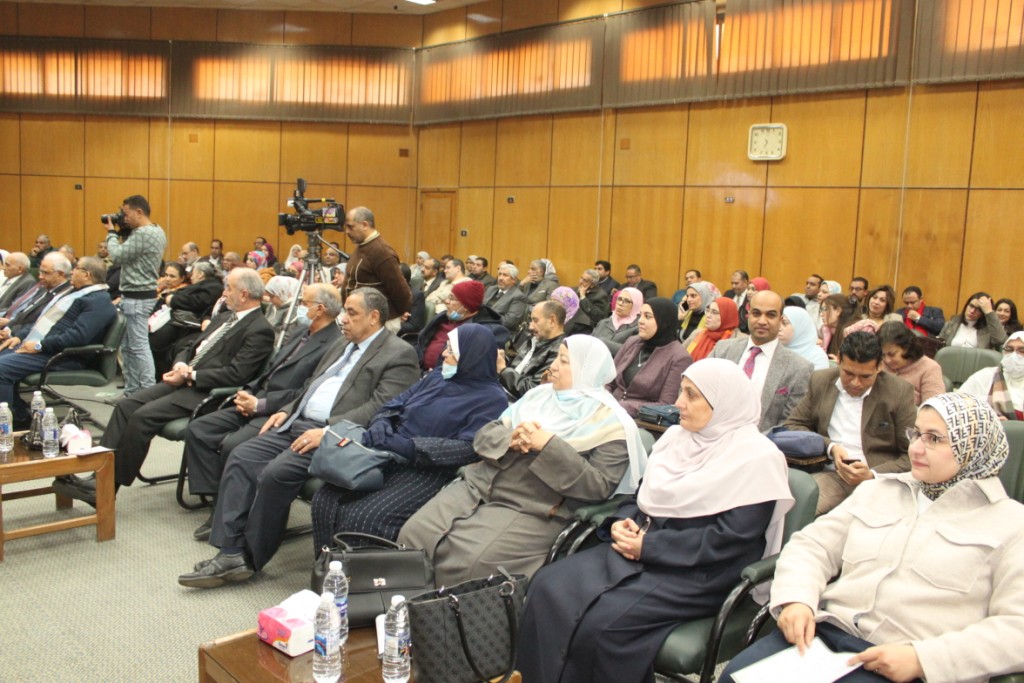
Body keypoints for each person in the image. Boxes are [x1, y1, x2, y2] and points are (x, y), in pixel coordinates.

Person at [517, 359, 794, 683]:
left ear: (723, 404)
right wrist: (621, 522)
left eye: (691, 395)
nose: (678, 403)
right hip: (641, 549)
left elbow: (729, 538)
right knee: (547, 585)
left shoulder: (757, 459)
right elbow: (641, 497)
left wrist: (650, 547)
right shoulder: (677, 438)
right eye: (681, 392)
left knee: (604, 626)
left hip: (699, 571)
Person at [722, 392, 1024, 683]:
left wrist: (923, 659)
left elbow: (1017, 628)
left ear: (973, 448)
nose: (916, 449)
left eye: (934, 439)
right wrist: (797, 599)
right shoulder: (878, 491)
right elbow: (811, 546)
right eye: (916, 434)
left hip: (907, 663)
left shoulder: (1011, 524)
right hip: (824, 637)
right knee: (734, 676)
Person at [177, 288, 420, 587]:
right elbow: (311, 385)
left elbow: (380, 408)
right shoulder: (341, 343)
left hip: (332, 435)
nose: (343, 318)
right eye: (344, 310)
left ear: (374, 317)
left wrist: (328, 431)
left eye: (352, 313)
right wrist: (286, 409)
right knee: (242, 456)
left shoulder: (399, 353)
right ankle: (229, 549)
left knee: (274, 474)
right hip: (297, 422)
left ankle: (248, 557)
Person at [399, 335, 647, 585]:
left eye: (563, 361)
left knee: (471, 564)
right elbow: (484, 436)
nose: (553, 367)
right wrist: (511, 439)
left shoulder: (613, 424)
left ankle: (441, 610)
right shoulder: (538, 396)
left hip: (533, 506)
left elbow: (598, 486)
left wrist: (549, 445)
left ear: (587, 370)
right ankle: (401, 605)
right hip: (478, 486)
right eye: (556, 358)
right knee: (413, 534)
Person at [52, 269, 277, 505]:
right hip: (184, 380)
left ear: (244, 294)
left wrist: (191, 374)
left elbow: (237, 374)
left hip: (208, 393)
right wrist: (180, 364)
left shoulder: (259, 330)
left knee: (142, 417)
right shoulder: (225, 318)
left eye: (228, 288)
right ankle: (98, 474)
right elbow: (190, 346)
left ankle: (106, 488)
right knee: (125, 406)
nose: (223, 293)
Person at [310, 325, 509, 549]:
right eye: (446, 347)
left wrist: (409, 447)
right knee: (324, 499)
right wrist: (381, 422)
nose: (444, 354)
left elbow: (469, 448)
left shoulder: (491, 399)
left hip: (426, 469)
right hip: (385, 452)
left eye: (452, 351)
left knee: (363, 518)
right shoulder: (439, 376)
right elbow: (396, 402)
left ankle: (357, 571)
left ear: (471, 357)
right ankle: (327, 566)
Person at [184, 284, 343, 540]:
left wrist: (260, 405)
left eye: (303, 303)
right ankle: (218, 500)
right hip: (257, 398)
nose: (298, 307)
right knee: (199, 429)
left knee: (234, 446)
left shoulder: (334, 344)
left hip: (279, 410)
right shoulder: (301, 331)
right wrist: (248, 391)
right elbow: (271, 370)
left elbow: (305, 392)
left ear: (320, 309)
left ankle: (228, 514)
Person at [784, 331, 916, 514]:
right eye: (848, 373)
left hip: (878, 479)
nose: (855, 383)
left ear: (879, 367)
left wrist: (872, 474)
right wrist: (830, 447)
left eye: (865, 377)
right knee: (788, 505)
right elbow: (792, 426)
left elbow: (912, 454)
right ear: (838, 359)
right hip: (830, 473)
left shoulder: (898, 392)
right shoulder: (821, 381)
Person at [0, 257, 116, 428]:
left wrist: (39, 346)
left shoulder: (98, 302)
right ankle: (18, 414)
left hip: (63, 356)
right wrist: (20, 336)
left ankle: (9, 423)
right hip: (46, 348)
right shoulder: (76, 293)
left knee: (2, 368)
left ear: (87, 275)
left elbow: (79, 337)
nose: (72, 271)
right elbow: (43, 322)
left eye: (76, 268)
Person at [710, 290, 813, 433]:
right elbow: (698, 392)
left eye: (771, 315)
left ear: (780, 320)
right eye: (756, 313)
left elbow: (789, 423)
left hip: (762, 441)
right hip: (711, 435)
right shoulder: (723, 350)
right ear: (748, 315)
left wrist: (753, 441)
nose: (762, 321)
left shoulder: (799, 368)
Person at [105, 194, 167, 396]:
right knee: (128, 347)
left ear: (139, 212)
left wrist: (111, 233)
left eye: (126, 213)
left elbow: (117, 256)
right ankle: (131, 393)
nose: (124, 217)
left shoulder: (143, 233)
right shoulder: (157, 230)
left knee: (138, 347)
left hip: (137, 297)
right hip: (138, 295)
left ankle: (147, 394)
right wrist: (123, 232)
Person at [607, 298, 693, 416]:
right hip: (609, 410)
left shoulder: (679, 357)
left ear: (664, 322)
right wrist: (603, 400)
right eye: (640, 315)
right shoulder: (632, 342)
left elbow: (666, 405)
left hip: (640, 420)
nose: (640, 321)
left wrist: (622, 407)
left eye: (647, 316)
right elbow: (608, 381)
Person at [342, 206, 411, 333]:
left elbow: (401, 291)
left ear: (365, 225)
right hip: (361, 319)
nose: (347, 231)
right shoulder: (363, 246)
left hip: (377, 323)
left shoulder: (381, 251)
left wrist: (396, 314)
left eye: (350, 227)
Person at [149, 261, 222, 378]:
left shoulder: (213, 286)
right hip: (177, 319)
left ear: (200, 274)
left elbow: (198, 302)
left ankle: (155, 377)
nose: (191, 276)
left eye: (193, 273)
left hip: (186, 324)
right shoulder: (205, 285)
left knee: (155, 342)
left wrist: (173, 300)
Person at [416, 279, 508, 371]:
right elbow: (421, 343)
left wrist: (434, 375)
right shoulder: (442, 318)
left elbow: (476, 367)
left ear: (465, 306)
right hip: (420, 371)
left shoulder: (487, 332)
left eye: (452, 298)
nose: (446, 301)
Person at [498, 300, 566, 399]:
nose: (530, 326)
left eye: (535, 320)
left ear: (552, 320)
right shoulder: (532, 338)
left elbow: (533, 391)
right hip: (501, 389)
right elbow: (513, 360)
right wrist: (500, 357)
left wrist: (503, 370)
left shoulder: (559, 353)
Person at [877, 320, 945, 405]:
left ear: (907, 347)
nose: (887, 360)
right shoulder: (879, 363)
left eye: (892, 354)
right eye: (883, 355)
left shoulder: (930, 368)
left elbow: (933, 407)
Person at [960, 331, 1024, 420]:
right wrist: (988, 420)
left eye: (1022, 350)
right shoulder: (984, 377)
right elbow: (958, 406)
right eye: (1009, 349)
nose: (1014, 355)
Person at [939, 291, 1007, 350]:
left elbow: (1001, 340)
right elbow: (939, 346)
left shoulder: (988, 330)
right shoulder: (951, 324)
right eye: (971, 306)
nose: (972, 311)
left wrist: (989, 312)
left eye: (978, 309)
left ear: (983, 313)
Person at [685, 296, 739, 362]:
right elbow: (681, 357)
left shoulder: (737, 341)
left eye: (714, 312)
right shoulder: (697, 333)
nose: (708, 315)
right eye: (708, 310)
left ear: (727, 316)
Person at [592, 287, 642, 356]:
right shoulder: (603, 323)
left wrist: (603, 343)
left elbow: (632, 351)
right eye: (619, 299)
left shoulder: (639, 327)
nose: (620, 303)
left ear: (636, 305)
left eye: (627, 301)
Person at [779, 305, 830, 370]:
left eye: (784, 323)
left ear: (800, 327)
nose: (778, 328)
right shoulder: (773, 351)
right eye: (778, 323)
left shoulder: (817, 357)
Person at [482, 262, 528, 332]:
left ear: (514, 280)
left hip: (499, 331)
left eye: (505, 275)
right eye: (499, 274)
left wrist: (486, 317)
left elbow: (509, 322)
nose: (500, 278)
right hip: (482, 325)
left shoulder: (518, 296)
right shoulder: (491, 289)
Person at [263, 275, 309, 343]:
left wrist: (264, 338)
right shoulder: (272, 307)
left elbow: (286, 338)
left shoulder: (293, 311)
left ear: (283, 293)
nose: (270, 299)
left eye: (272, 296)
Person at [820, 293, 859, 359]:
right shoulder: (829, 331)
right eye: (821, 310)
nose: (821, 314)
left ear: (838, 311)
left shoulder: (852, 334)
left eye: (825, 309)